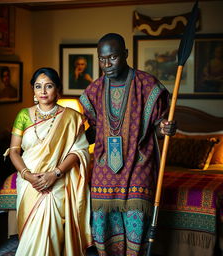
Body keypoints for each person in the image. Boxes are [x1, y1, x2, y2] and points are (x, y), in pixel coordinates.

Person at [79, 33, 176, 255]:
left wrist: (165, 128)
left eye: (112, 58)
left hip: (139, 163)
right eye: (102, 59)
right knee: (102, 223)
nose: (106, 64)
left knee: (136, 220)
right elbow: (93, 130)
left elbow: (159, 123)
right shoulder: (93, 90)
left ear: (125, 54)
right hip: (105, 168)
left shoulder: (147, 84)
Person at [7, 67, 92, 255]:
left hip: (57, 182)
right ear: (33, 91)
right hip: (29, 184)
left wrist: (55, 174)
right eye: (38, 86)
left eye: (49, 86)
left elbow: (79, 152)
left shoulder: (71, 117)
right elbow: (14, 151)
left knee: (54, 234)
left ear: (58, 89)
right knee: (30, 233)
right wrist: (27, 176)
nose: (43, 91)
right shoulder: (23, 115)